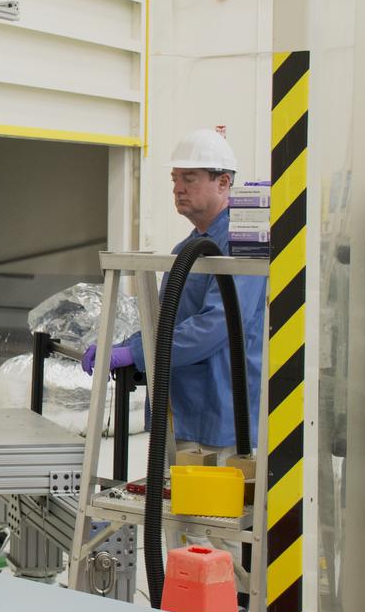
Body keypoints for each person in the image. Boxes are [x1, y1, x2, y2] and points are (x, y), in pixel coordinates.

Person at [82, 129, 266, 457]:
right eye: (174, 179)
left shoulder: (241, 244)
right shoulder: (187, 248)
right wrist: (123, 347)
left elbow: (214, 327)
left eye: (190, 178)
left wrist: (137, 354)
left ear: (223, 182)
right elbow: (171, 319)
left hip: (220, 419)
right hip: (181, 411)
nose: (178, 188)